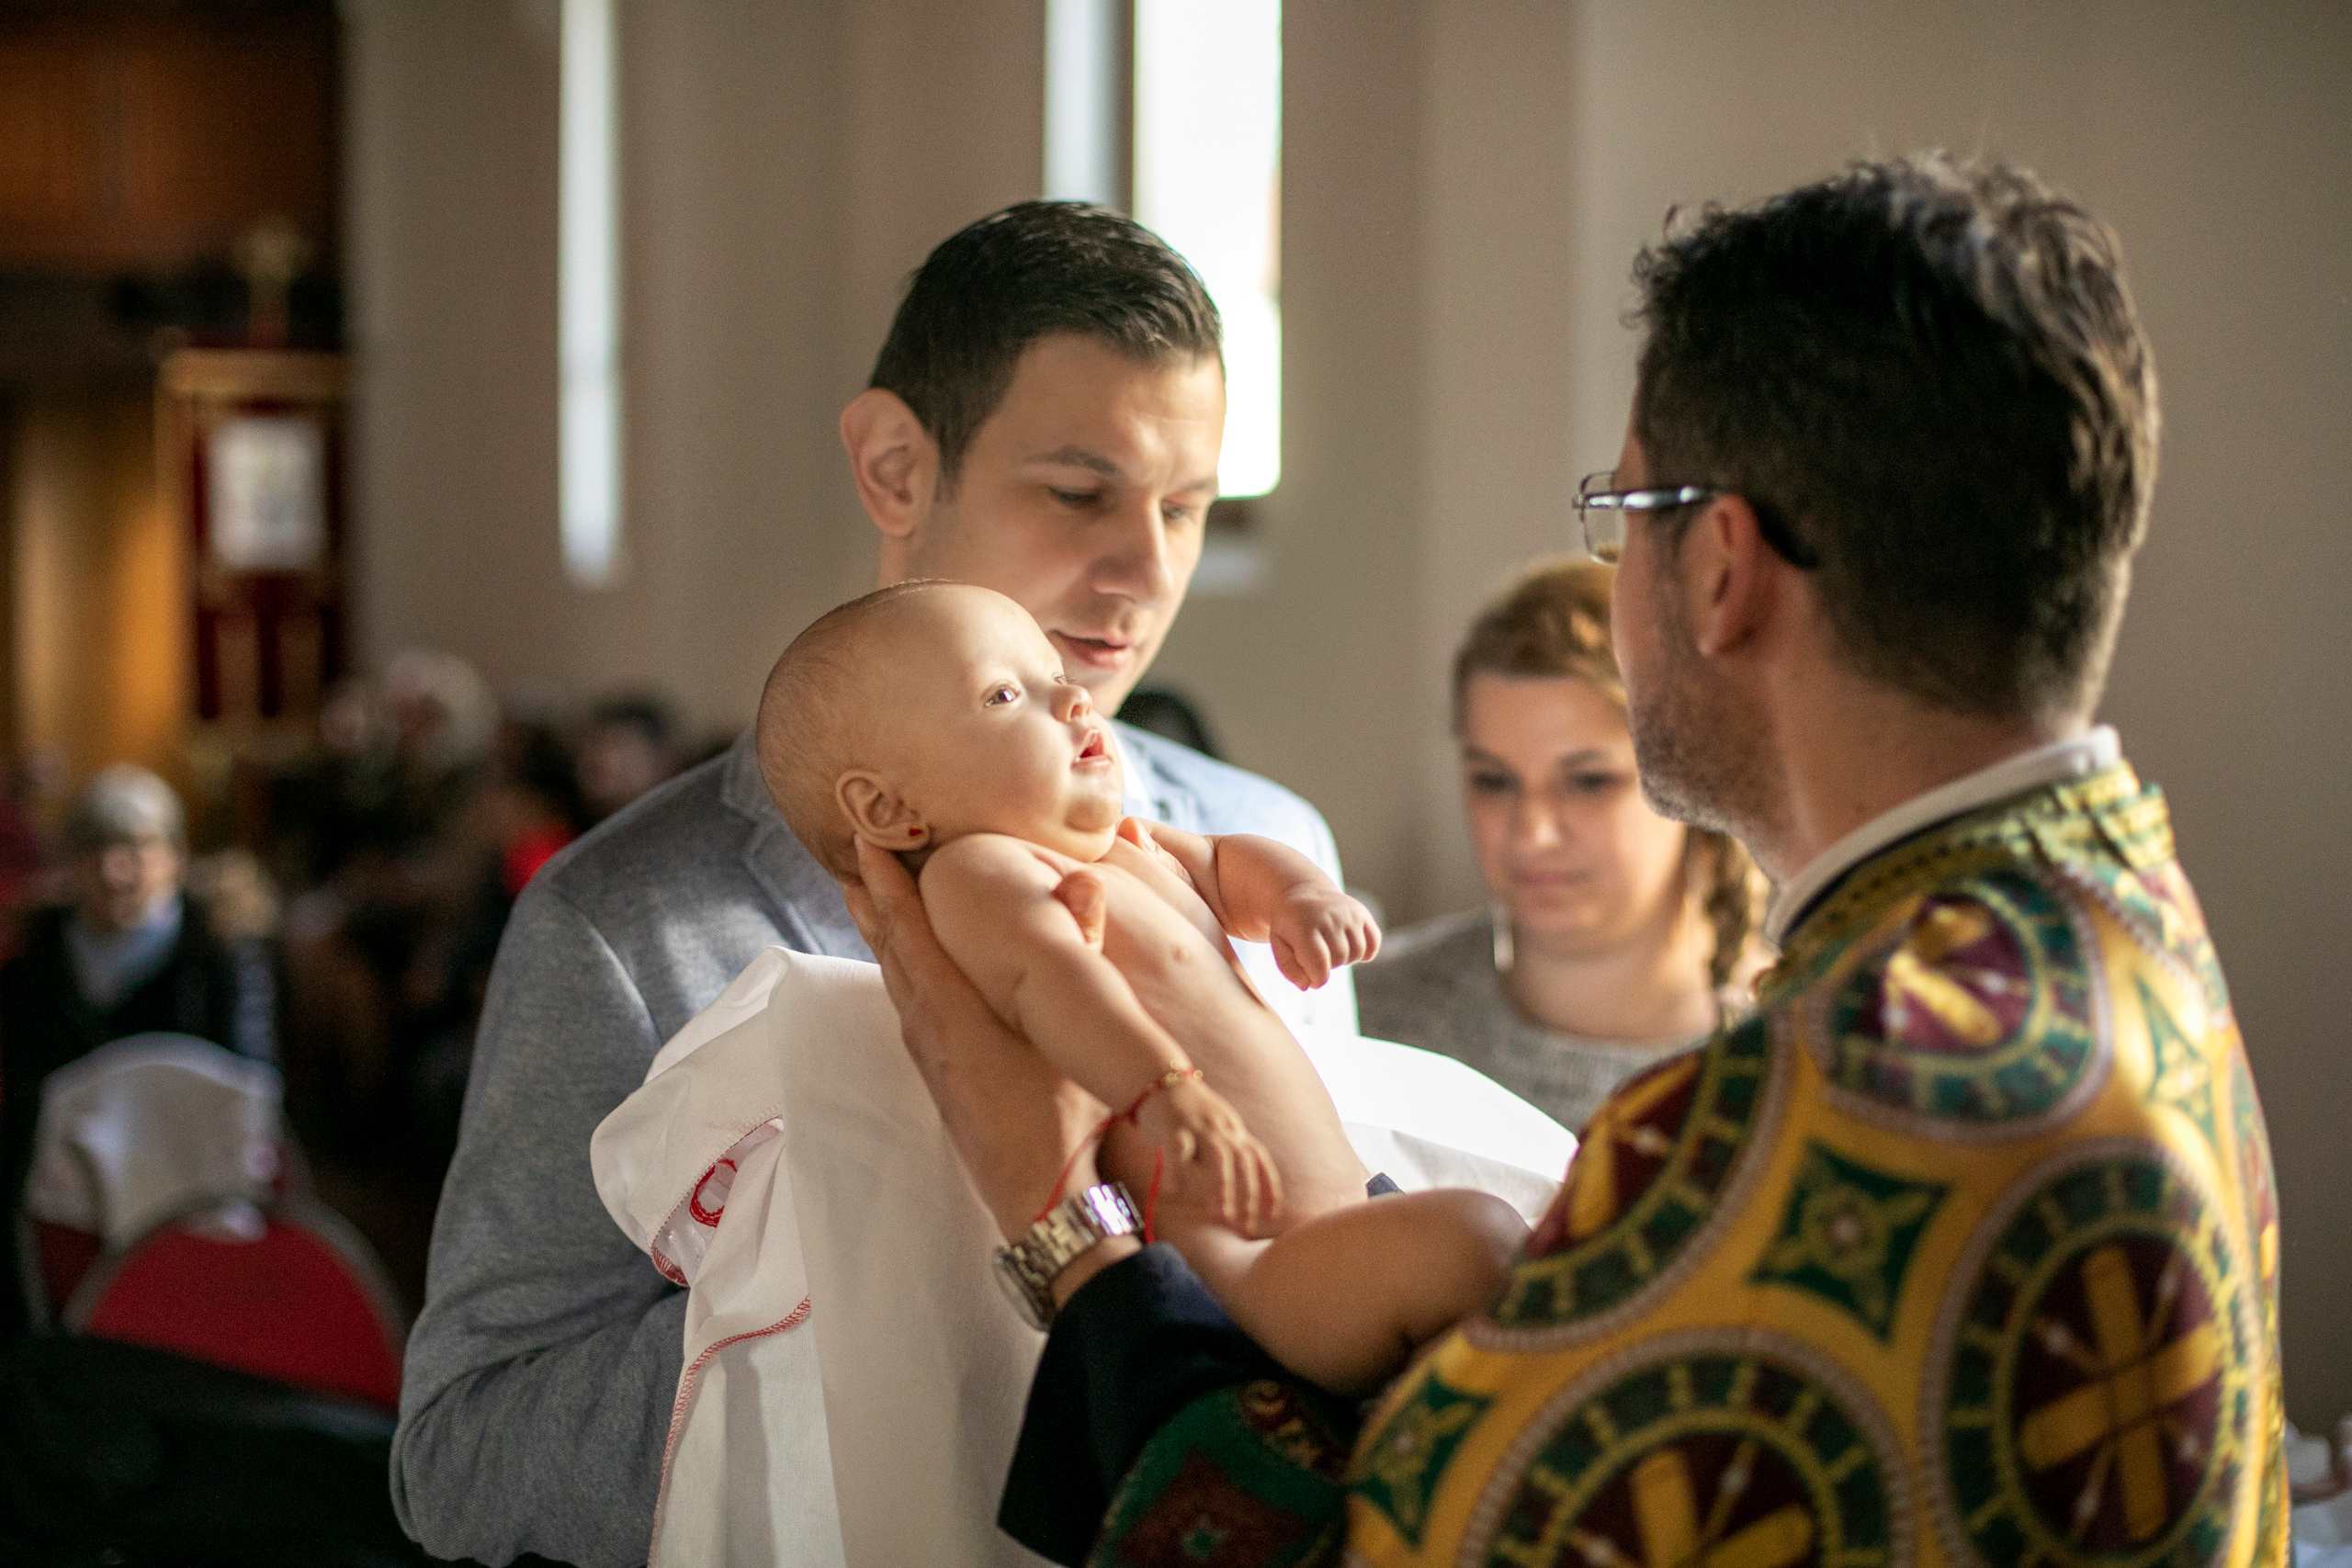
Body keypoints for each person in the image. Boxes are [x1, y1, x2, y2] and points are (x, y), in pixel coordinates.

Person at [858, 154, 2290, 1566]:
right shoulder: (2130, 918)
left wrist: (1070, 1229)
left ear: (1720, 567)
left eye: (1626, 514)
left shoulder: (1825, 1118)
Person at [390, 201, 1358, 1567]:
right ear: (898, 466)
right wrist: (879, 1281)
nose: (1148, 571)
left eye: (1188, 506)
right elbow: (464, 1453)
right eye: (1078, 492)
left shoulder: (1266, 839)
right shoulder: (628, 925)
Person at [761, 581, 1520, 1394]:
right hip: (1253, 1272)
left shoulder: (1127, 845)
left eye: (1056, 674)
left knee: (1506, 1247)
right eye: (1005, 693)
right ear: (889, 807)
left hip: (1348, 1208)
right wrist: (1161, 1085)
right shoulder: (979, 872)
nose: (1073, 699)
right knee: (1480, 1240)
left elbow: (1226, 861)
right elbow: (1052, 978)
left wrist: (1301, 897)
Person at [1359, 558, 1764, 1132]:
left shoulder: (1801, 1054)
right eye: (1494, 781)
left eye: (1589, 782)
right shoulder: (1367, 1017)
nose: (1534, 833)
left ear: (1695, 780)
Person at [0, 765, 272, 1336]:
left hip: (190, 1190)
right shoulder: (37, 957)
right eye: (93, 850)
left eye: (135, 848)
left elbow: (248, 1086)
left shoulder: (217, 953)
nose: (113, 870)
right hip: (67, 1197)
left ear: (175, 856)